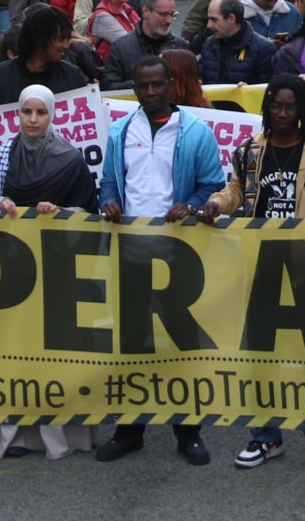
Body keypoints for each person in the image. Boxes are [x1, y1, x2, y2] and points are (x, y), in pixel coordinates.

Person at [203, 75, 305, 472]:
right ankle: (264, 436)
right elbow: (235, 191)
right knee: (261, 355)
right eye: (276, 106)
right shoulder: (250, 151)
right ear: (267, 108)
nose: (283, 114)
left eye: (291, 107)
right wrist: (216, 205)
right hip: (261, 265)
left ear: (303, 111)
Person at [94, 57, 222, 465]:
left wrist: (190, 205)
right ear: (134, 87)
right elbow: (111, 180)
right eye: (142, 86)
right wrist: (107, 201)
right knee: (132, 345)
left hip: (176, 252)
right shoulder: (120, 130)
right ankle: (129, 429)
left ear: (170, 85)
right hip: (130, 251)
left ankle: (188, 431)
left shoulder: (196, 133)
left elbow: (212, 185)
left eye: (156, 85)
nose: (150, 93)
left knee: (180, 344)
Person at [0, 85, 94, 213]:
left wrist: (58, 211)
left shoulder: (71, 159)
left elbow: (87, 210)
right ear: (19, 113)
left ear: (51, 114)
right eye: (27, 112)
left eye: (41, 112)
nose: (33, 119)